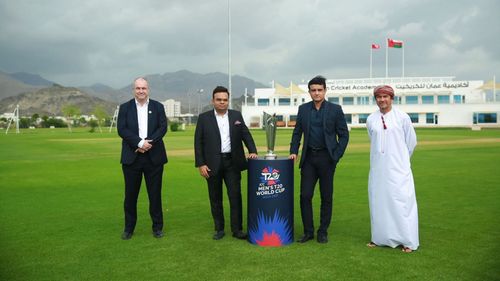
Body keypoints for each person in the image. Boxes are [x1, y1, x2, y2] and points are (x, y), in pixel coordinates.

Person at [289, 75, 349, 244]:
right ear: (309, 92)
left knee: (326, 196)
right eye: (313, 90)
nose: (316, 93)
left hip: (327, 158)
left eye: (319, 90)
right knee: (305, 195)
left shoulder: (335, 110)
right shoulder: (303, 109)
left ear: (325, 90)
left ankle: (322, 231)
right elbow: (297, 133)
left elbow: (344, 135)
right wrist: (294, 151)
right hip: (308, 158)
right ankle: (308, 231)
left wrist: (335, 156)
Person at [194, 86, 258, 240]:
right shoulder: (204, 118)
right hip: (212, 164)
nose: (222, 102)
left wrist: (252, 150)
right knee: (215, 198)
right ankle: (219, 229)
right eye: (219, 100)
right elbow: (198, 143)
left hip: (233, 163)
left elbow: (245, 135)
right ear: (213, 101)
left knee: (235, 196)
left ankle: (237, 230)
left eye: (225, 100)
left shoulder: (236, 115)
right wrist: (201, 164)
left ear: (228, 101)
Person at [366, 85, 419, 253]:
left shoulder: (402, 117)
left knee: (402, 202)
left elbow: (411, 142)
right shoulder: (371, 119)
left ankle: (407, 241)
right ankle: (379, 238)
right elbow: (373, 140)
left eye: (385, 97)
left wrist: (401, 160)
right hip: (378, 169)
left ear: (391, 98)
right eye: (379, 97)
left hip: (398, 169)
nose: (382, 100)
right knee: (379, 202)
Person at [117, 77, 168, 240]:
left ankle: (157, 227)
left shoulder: (158, 107)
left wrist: (148, 143)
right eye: (138, 88)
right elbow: (122, 129)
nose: (141, 91)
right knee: (130, 196)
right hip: (132, 157)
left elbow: (162, 128)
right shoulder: (125, 108)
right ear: (134, 90)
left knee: (155, 195)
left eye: (143, 88)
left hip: (154, 157)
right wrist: (138, 143)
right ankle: (129, 228)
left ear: (148, 89)